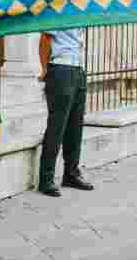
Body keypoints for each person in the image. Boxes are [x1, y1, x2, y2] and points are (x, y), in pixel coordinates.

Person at [37, 28, 94, 197]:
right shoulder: (58, 7)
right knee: (57, 127)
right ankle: (46, 179)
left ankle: (71, 174)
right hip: (60, 69)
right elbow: (45, 40)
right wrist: (45, 69)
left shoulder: (79, 11)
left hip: (78, 69)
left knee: (75, 126)